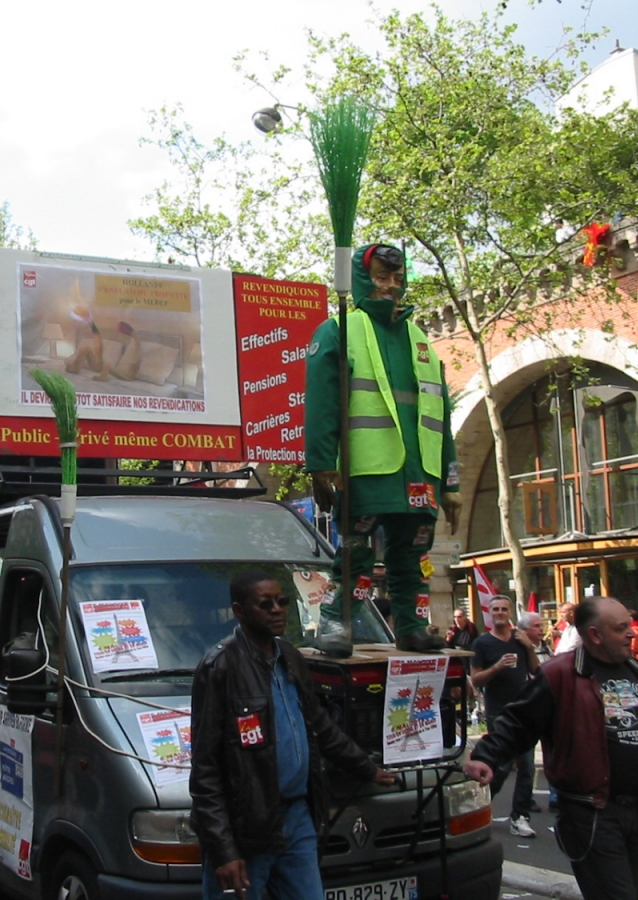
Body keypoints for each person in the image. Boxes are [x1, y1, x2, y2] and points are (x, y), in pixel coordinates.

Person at [463, 597, 638, 900]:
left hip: (635, 810)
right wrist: (485, 757)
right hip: (590, 812)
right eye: (621, 628)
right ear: (595, 635)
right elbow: (518, 722)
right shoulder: (560, 674)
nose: (632, 633)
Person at [190, 571, 396, 900]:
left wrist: (367, 768)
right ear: (239, 611)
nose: (277, 610)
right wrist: (224, 850)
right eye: (265, 604)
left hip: (298, 819)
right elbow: (205, 769)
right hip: (247, 829)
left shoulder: (291, 657)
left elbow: (320, 726)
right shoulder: (220, 667)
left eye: (282, 601)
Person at [304, 243, 461, 653]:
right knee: (355, 553)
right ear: (360, 280)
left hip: (421, 473)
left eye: (397, 279)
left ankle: (411, 625)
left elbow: (439, 411)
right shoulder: (338, 329)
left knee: (414, 555)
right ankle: (339, 624)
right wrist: (320, 464)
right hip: (368, 470)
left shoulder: (419, 337)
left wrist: (451, 479)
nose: (390, 287)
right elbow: (322, 402)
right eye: (380, 278)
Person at [470, 596, 540, 837]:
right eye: (495, 609)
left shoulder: (520, 640)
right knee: (500, 766)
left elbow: (535, 671)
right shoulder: (482, 643)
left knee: (527, 766)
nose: (499, 613)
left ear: (510, 613)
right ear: (490, 613)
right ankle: (481, 807)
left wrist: (529, 647)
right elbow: (475, 680)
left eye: (504, 609)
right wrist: (498, 667)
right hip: (499, 711)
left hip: (525, 710)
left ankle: (520, 816)